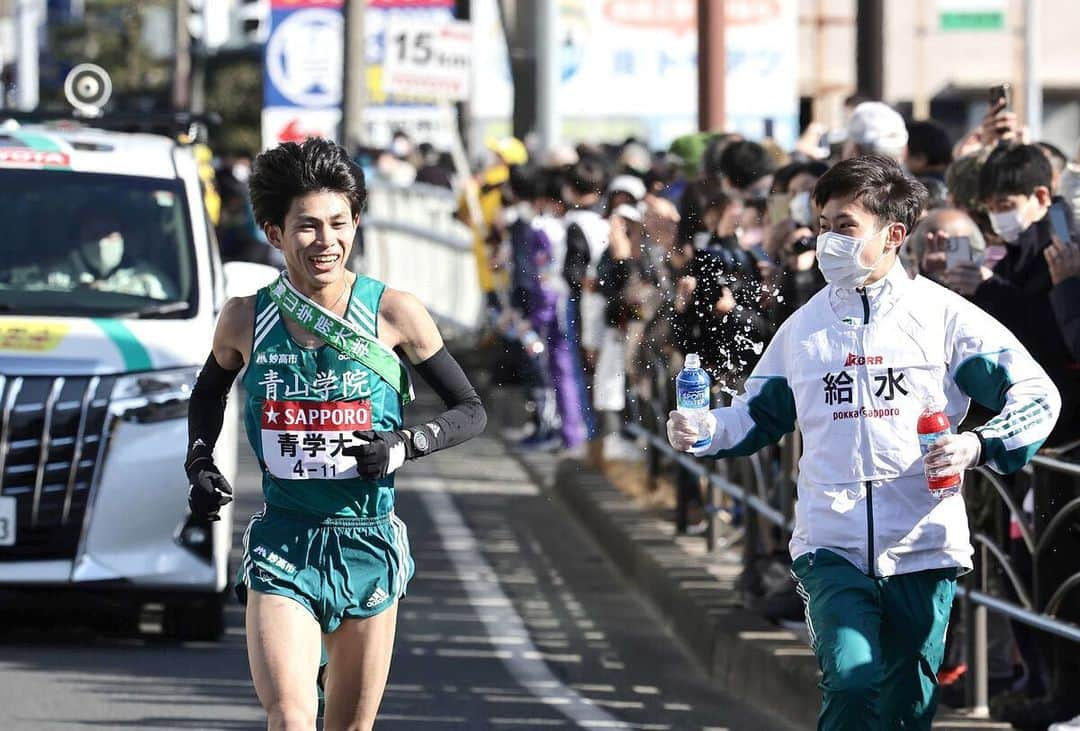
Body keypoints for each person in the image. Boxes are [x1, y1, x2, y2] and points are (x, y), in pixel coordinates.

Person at [667, 154, 1060, 729]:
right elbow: (756, 416)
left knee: (908, 708)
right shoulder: (804, 327)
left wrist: (977, 445)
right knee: (851, 684)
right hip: (831, 542)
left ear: (894, 234)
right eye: (823, 224)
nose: (828, 239)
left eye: (845, 226)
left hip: (923, 541)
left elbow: (1037, 395)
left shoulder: (945, 316)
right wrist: (703, 430)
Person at [183, 138, 486, 731]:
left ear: (356, 225)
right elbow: (208, 392)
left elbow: (470, 409)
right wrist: (199, 460)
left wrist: (404, 445)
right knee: (292, 718)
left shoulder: (394, 312)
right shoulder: (246, 316)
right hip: (282, 542)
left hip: (367, 544)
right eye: (307, 227)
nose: (326, 242)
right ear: (274, 233)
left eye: (338, 224)